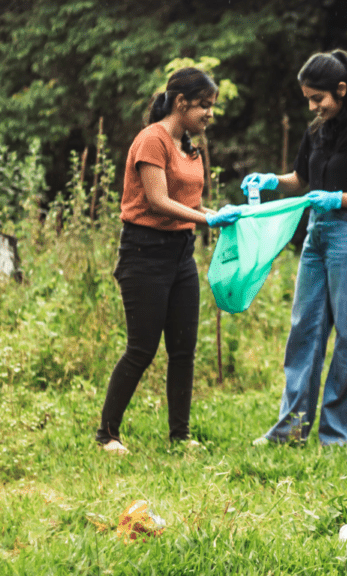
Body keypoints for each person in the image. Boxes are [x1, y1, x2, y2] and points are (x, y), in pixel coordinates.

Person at [242, 50, 347, 447]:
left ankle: (340, 433)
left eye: (317, 98)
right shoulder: (316, 131)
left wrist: (339, 199)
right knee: (303, 332)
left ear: (341, 90)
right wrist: (272, 179)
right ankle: (291, 429)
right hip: (316, 237)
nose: (312, 106)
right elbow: (301, 178)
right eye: (308, 98)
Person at [96, 67, 241, 455]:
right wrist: (207, 218)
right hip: (144, 254)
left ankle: (180, 435)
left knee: (183, 349)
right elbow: (159, 201)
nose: (210, 113)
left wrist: (216, 214)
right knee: (141, 348)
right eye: (204, 106)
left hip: (181, 254)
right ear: (181, 102)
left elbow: (187, 205)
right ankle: (107, 434)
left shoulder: (189, 146)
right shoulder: (152, 140)